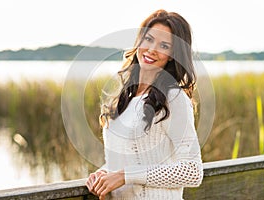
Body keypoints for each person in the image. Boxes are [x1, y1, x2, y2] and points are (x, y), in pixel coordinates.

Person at [85, 9, 203, 200]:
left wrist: (124, 176)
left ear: (173, 55)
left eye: (164, 45)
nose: (152, 49)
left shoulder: (173, 97)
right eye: (148, 39)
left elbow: (192, 171)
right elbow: (129, 161)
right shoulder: (126, 97)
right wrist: (104, 174)